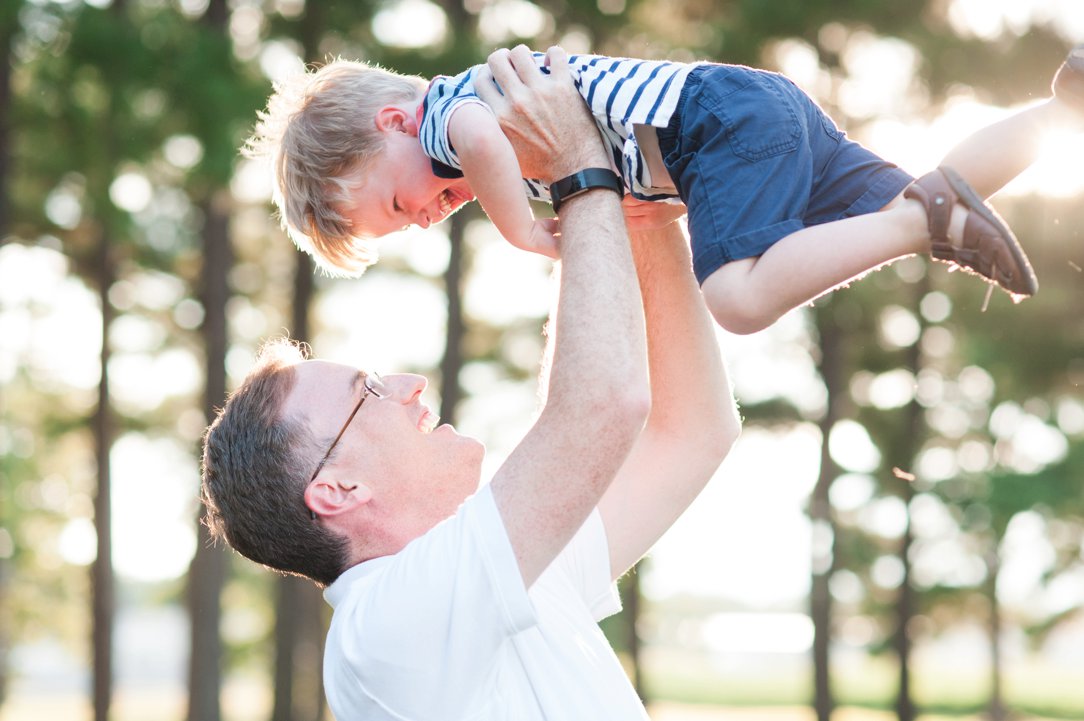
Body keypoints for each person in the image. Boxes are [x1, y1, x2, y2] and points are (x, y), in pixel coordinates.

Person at [203, 47, 740, 721]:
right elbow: (600, 406)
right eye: (366, 390)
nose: (408, 384)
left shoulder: (505, 574)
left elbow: (691, 433)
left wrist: (637, 218)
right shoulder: (384, 630)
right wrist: (580, 169)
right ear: (337, 489)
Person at [247, 44, 1084, 334]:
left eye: (401, 202)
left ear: (393, 124)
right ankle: (1058, 109)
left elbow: (476, 146)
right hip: (753, 114)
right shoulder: (500, 126)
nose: (430, 211)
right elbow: (642, 180)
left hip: (715, 121)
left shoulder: (448, 114)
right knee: (908, 191)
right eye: (413, 226)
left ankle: (927, 223)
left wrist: (522, 232)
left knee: (739, 300)